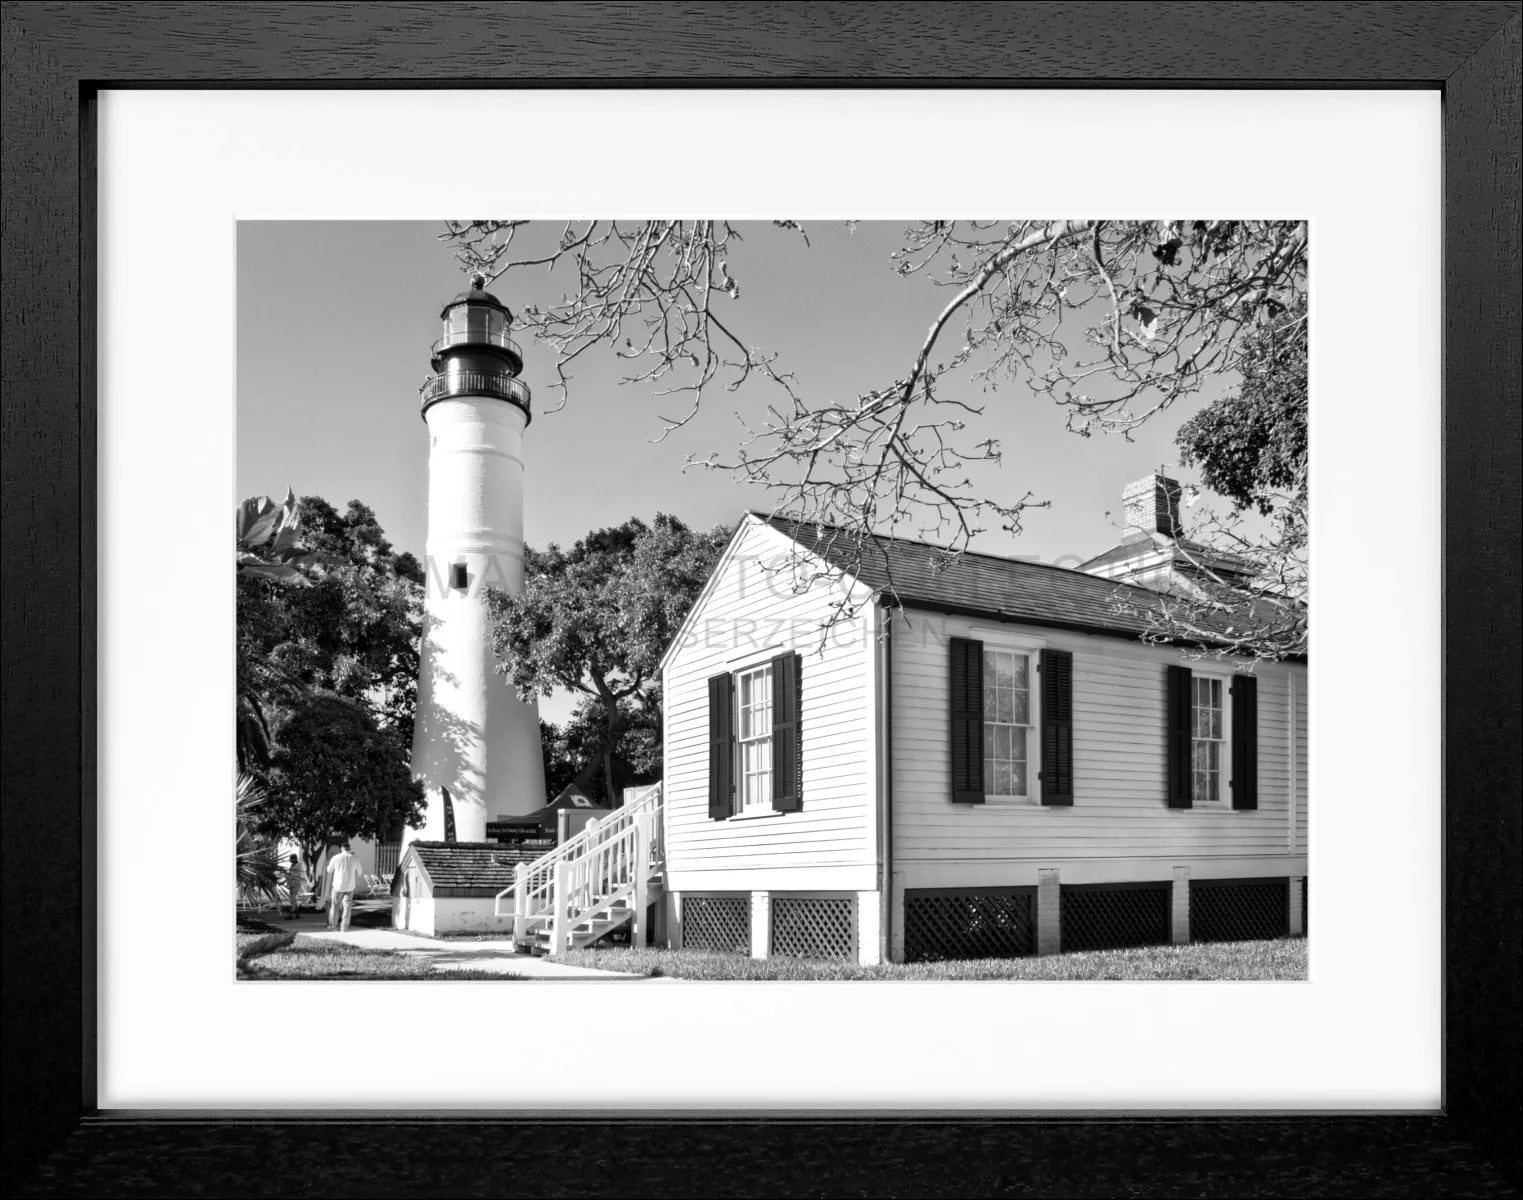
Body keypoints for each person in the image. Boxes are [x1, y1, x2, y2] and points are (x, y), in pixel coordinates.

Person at [325, 843, 362, 932]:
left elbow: (329, 870)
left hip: (338, 886)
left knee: (334, 906)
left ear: (342, 849)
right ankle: (344, 927)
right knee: (347, 907)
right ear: (349, 848)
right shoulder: (355, 858)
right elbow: (360, 872)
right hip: (350, 886)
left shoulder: (335, 858)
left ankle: (333, 926)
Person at [283, 853, 307, 920]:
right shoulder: (293, 865)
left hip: (296, 883)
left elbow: (294, 874)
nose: (289, 860)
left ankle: (291, 914)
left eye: (290, 858)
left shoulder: (298, 865)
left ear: (293, 859)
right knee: (293, 898)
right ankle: (297, 914)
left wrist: (287, 874)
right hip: (291, 883)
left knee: (293, 898)